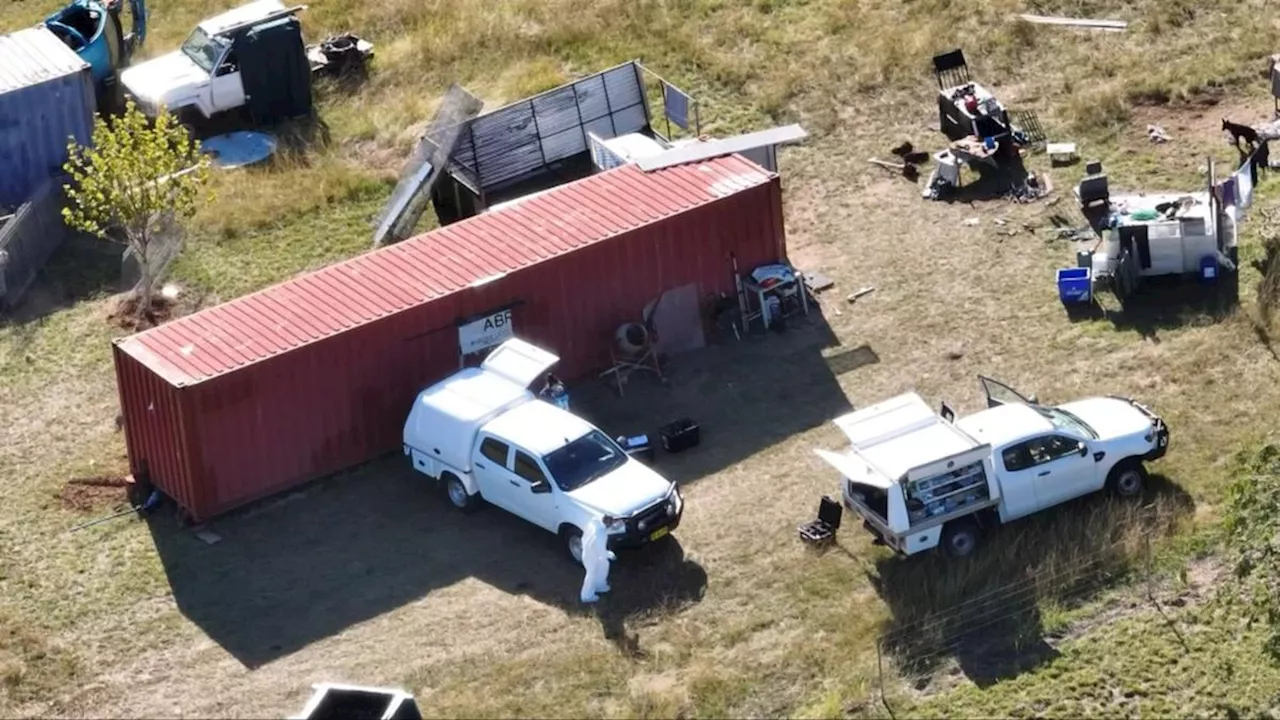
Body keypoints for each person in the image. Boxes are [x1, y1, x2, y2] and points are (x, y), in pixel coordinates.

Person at [579, 515, 616, 604]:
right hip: (591, 556)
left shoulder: (593, 523)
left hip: (588, 550)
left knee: (604, 565)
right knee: (591, 574)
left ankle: (599, 585)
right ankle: (586, 596)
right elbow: (601, 552)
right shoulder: (601, 534)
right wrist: (610, 555)